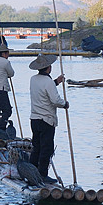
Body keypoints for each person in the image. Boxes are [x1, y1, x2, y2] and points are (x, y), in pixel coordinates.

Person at [28, 53, 68, 183]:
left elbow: (45, 89)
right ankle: (42, 174)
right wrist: (65, 104)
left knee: (37, 146)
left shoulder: (33, 79)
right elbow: (55, 100)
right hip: (46, 120)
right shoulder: (48, 82)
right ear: (48, 68)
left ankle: (31, 170)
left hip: (34, 118)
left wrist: (57, 81)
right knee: (47, 148)